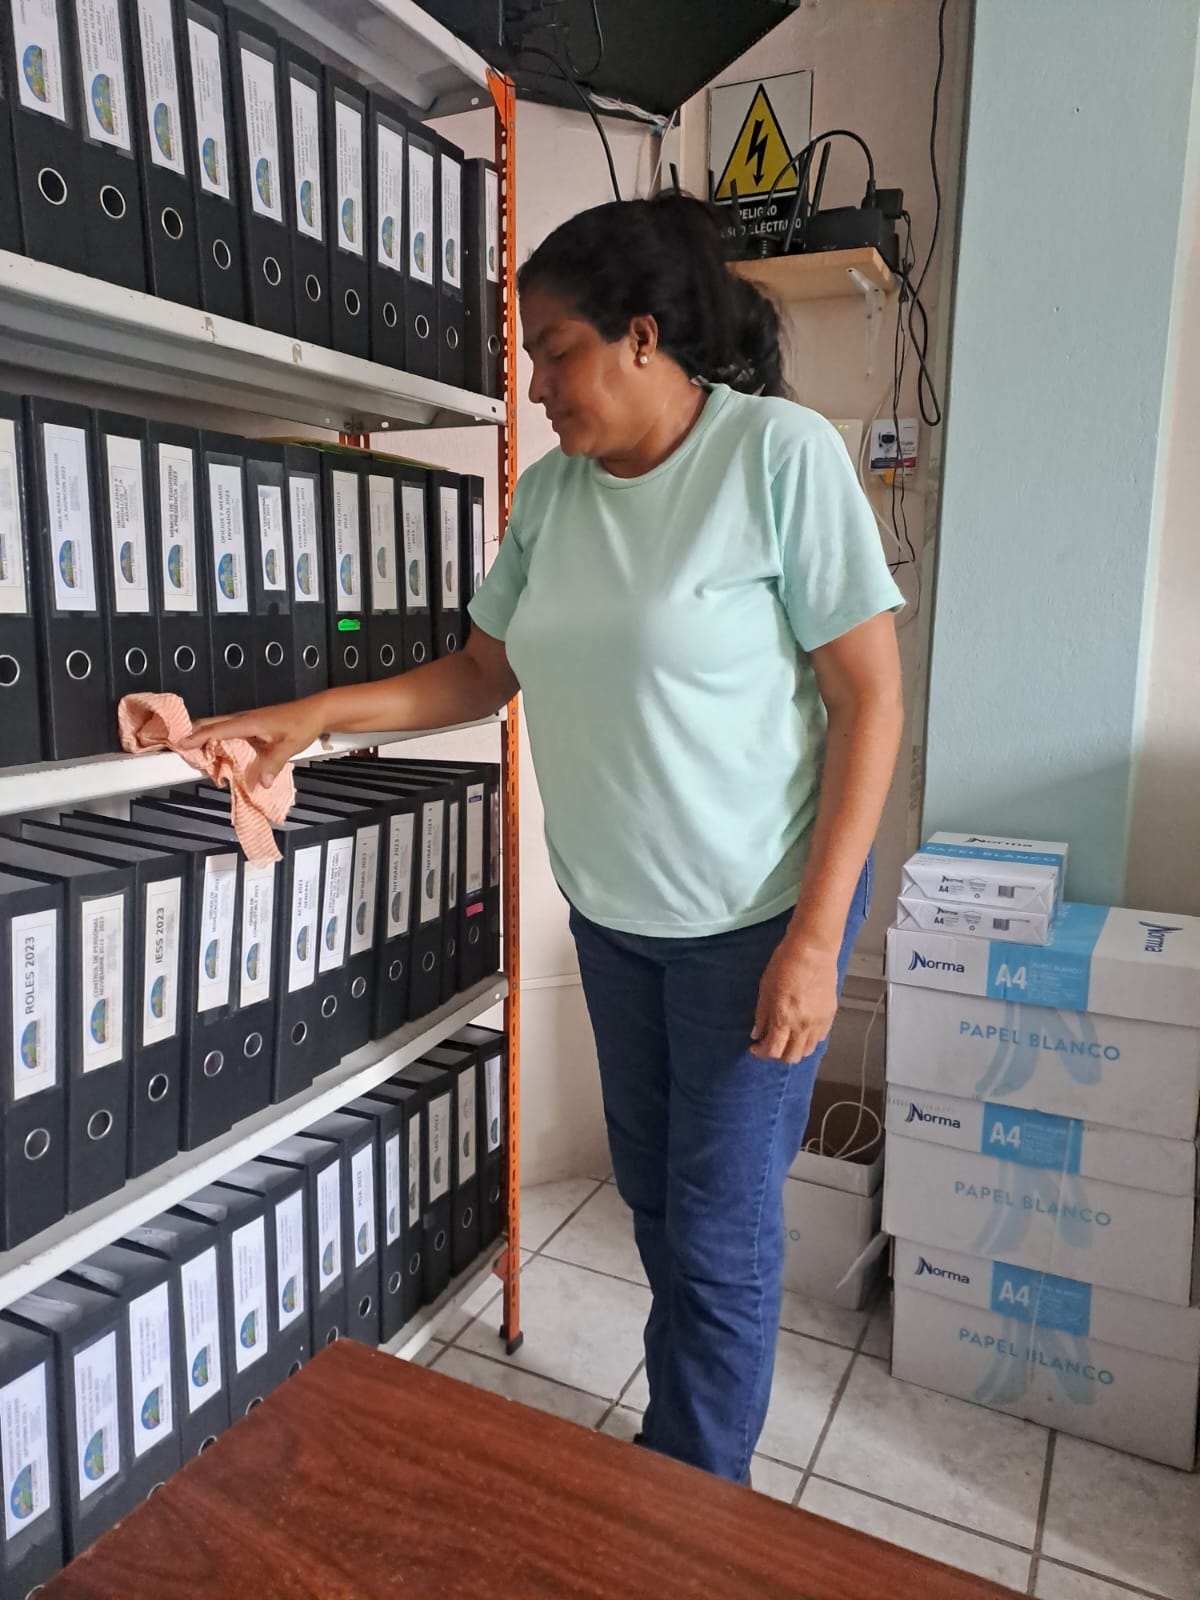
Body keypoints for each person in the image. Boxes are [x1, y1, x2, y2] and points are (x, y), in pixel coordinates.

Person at [185, 194, 905, 1486]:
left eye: (556, 352)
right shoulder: (554, 495)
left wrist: (816, 945)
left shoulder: (776, 456)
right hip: (618, 919)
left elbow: (870, 701)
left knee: (720, 1234)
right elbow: (481, 672)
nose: (534, 388)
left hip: (756, 920)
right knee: (656, 1201)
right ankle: (685, 1453)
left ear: (644, 337)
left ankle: (693, 1501)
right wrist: (312, 717)